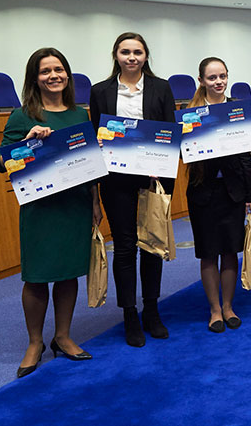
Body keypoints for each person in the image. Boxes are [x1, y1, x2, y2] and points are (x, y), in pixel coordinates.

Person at [0, 48, 101, 377]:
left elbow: (91, 163)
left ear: (67, 75)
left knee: (69, 272)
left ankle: (64, 337)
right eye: (45, 71)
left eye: (59, 70)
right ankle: (34, 342)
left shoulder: (79, 115)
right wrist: (26, 142)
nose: (53, 76)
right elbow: (1, 162)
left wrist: (96, 204)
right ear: (34, 78)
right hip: (41, 207)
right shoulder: (23, 115)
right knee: (37, 276)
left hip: (75, 204)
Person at [89, 32, 176, 347]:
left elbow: (169, 131)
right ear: (116, 55)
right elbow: (96, 133)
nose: (132, 57)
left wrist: (162, 166)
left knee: (152, 245)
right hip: (115, 180)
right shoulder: (100, 91)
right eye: (125, 52)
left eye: (138, 52)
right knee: (125, 247)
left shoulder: (161, 88)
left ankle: (152, 310)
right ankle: (129, 313)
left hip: (153, 178)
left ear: (145, 55)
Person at [185, 57, 251, 332]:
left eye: (222, 76)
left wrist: (250, 194)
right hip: (202, 192)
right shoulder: (189, 113)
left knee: (230, 251)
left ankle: (228, 307)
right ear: (201, 80)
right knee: (208, 252)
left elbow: (246, 156)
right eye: (212, 77)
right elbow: (183, 153)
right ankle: (214, 310)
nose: (218, 82)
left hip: (233, 192)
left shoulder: (237, 108)